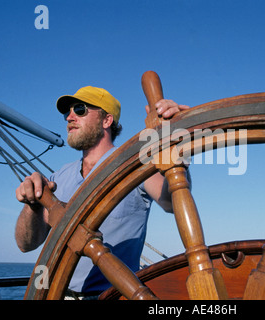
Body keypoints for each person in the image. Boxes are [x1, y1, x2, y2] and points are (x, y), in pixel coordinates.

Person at [14, 86, 189, 299]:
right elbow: (26, 244)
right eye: (67, 112)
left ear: (107, 121)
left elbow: (172, 200)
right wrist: (31, 205)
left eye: (79, 109)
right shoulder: (57, 178)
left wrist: (178, 149)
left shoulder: (135, 164)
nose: (69, 117)